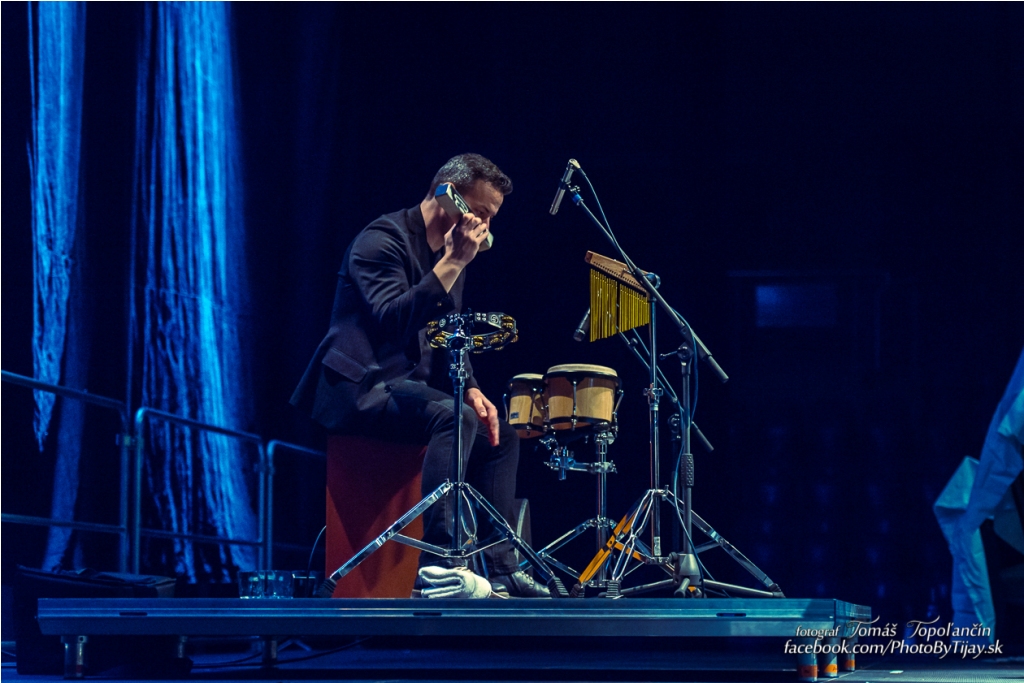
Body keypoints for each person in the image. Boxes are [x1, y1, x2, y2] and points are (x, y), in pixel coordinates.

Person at [291, 153, 549, 598]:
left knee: (499, 434)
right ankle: (439, 561)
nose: (486, 227)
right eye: (481, 212)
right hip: (359, 388)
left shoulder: (450, 255)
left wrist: (472, 388)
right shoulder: (381, 240)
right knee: (455, 419)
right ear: (447, 195)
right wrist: (452, 264)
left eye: (491, 217)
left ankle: (503, 566)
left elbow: (448, 332)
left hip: (406, 390)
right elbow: (393, 320)